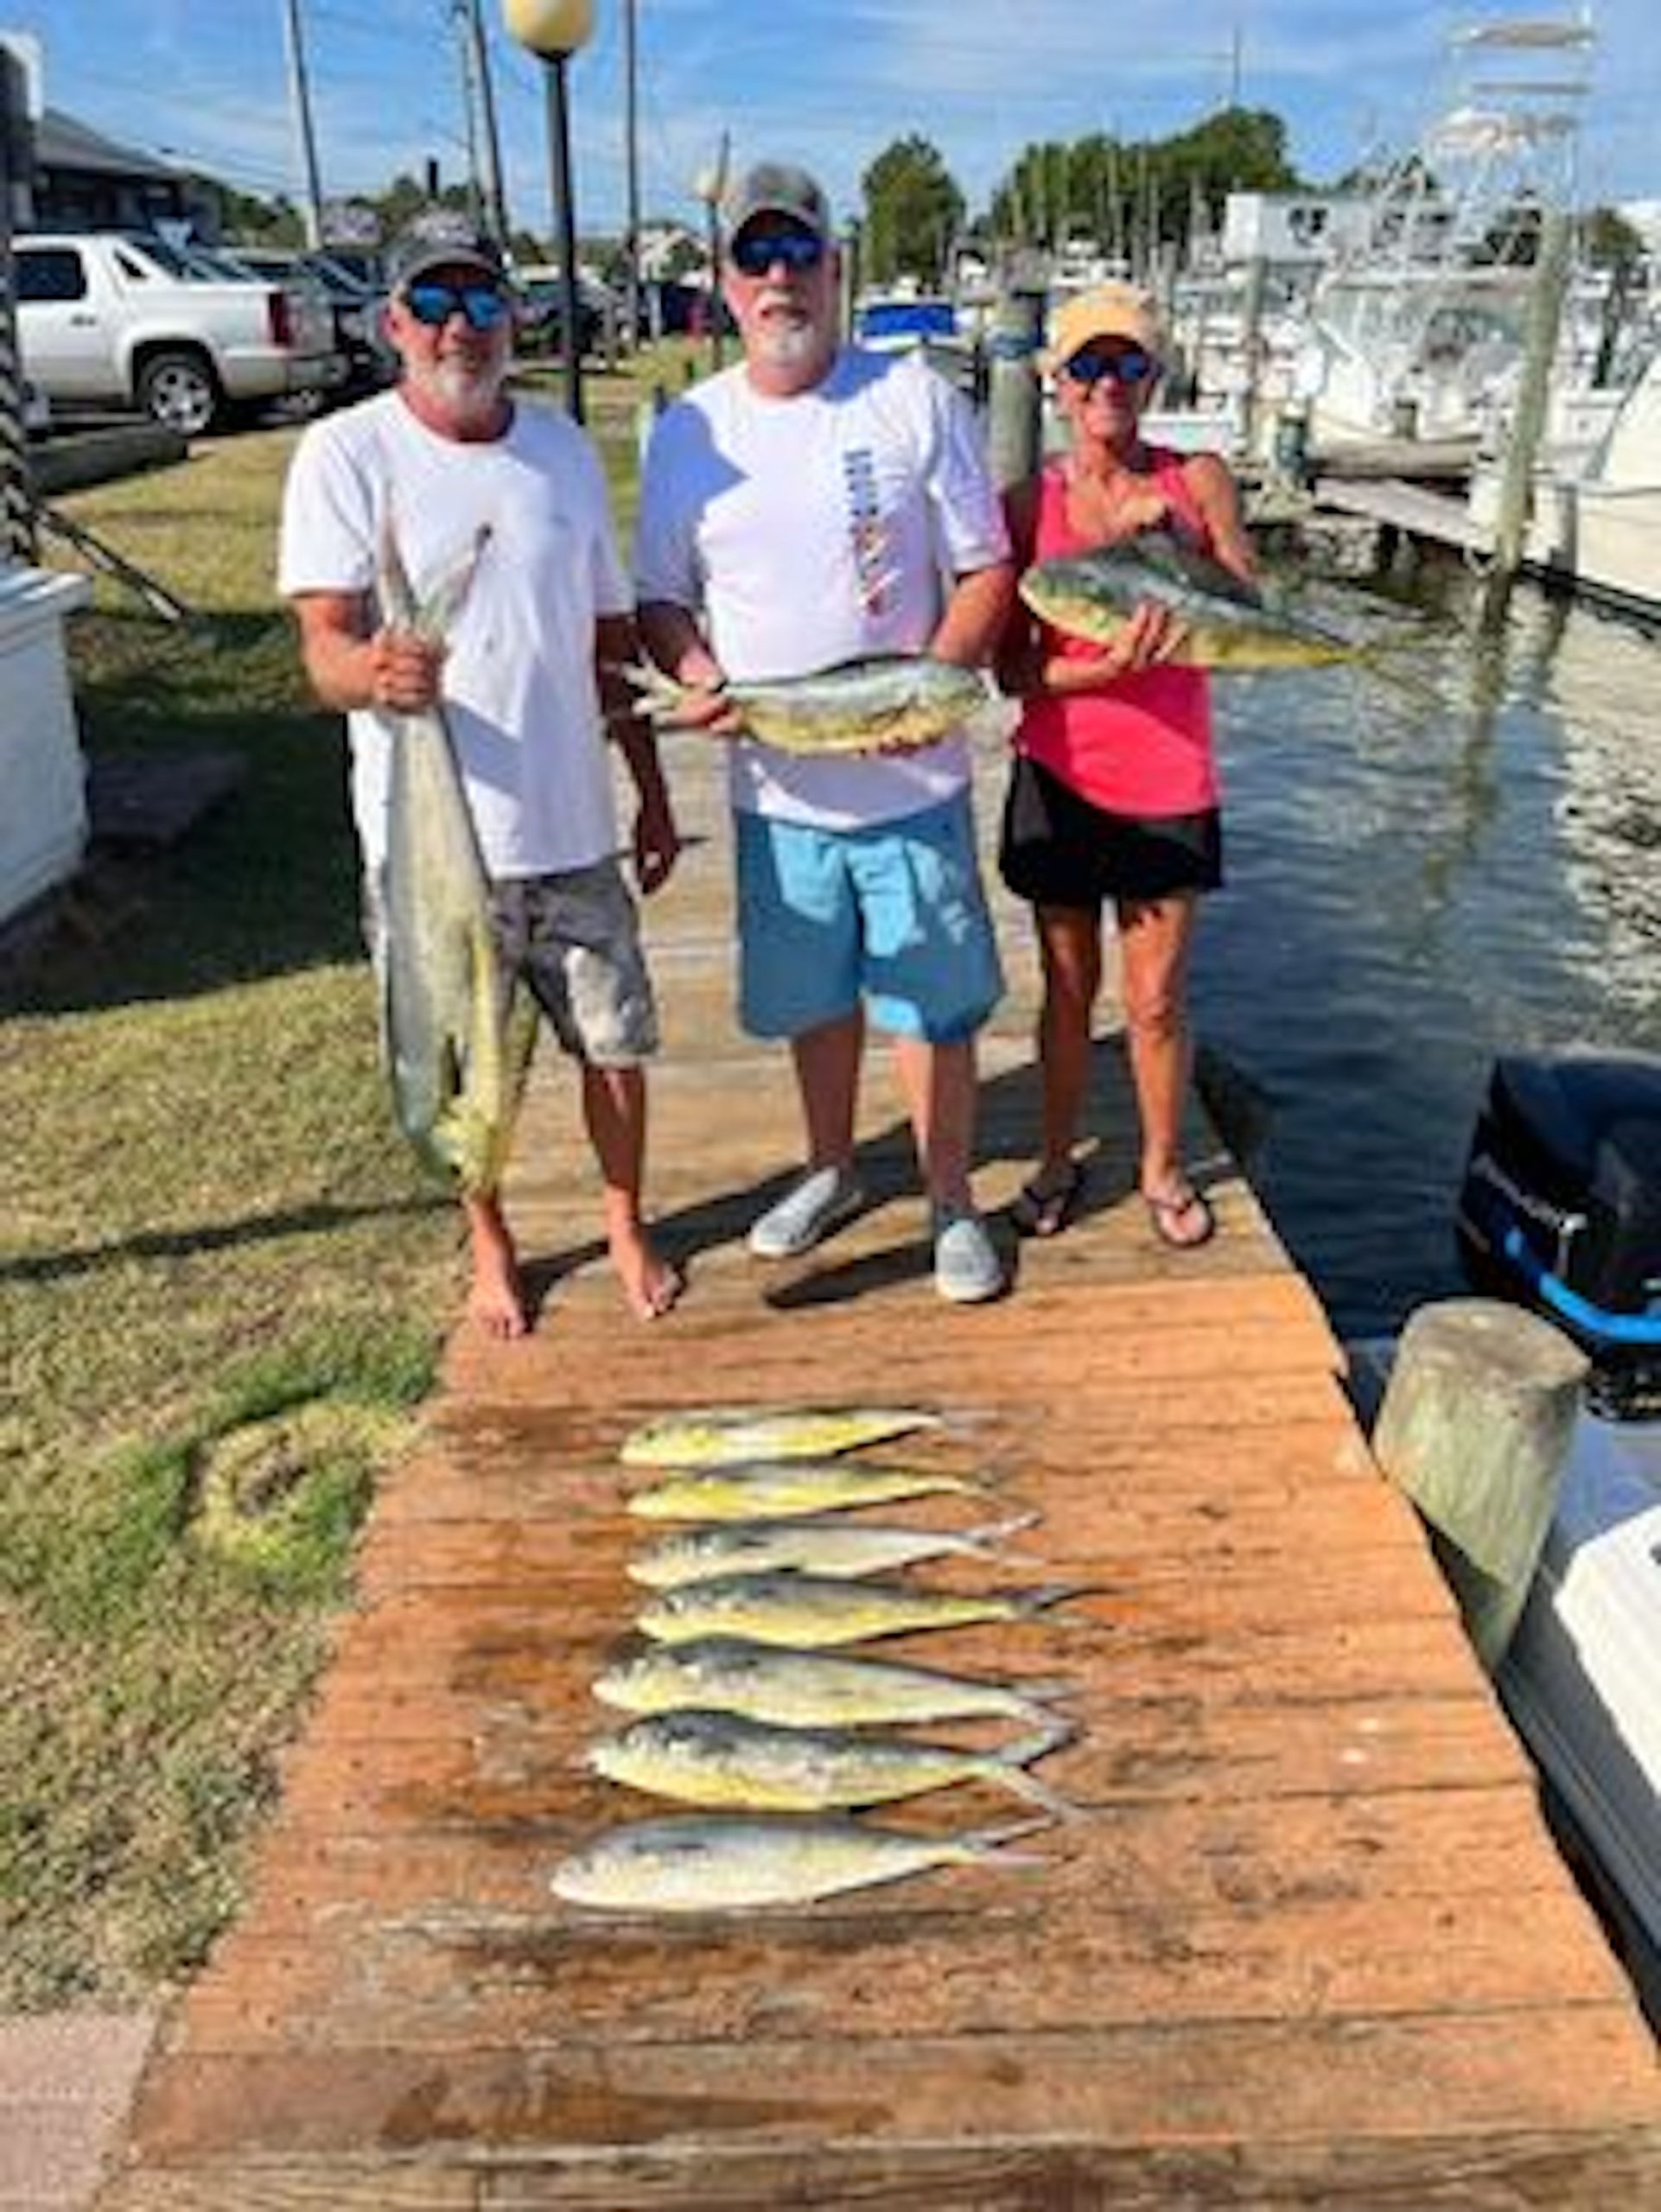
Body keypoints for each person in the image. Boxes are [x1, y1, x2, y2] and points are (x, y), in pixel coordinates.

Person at [277, 232, 683, 1339]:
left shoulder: (561, 450)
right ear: (393, 323)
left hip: (571, 823)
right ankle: (492, 1245)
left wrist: (649, 788)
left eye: (482, 301)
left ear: (514, 318)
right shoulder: (343, 451)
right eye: (434, 302)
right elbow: (321, 650)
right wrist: (375, 671)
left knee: (614, 1046)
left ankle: (624, 1223)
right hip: (432, 854)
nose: (460, 325)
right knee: (462, 1071)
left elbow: (608, 642)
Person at [634, 162, 1014, 1305]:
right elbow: (662, 598)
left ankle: (949, 1198)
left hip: (912, 785)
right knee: (817, 999)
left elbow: (986, 569)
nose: (778, 278)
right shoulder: (689, 429)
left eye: (797, 253)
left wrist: (934, 682)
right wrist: (696, 676)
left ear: (834, 267)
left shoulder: (912, 399)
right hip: (775, 790)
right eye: (755, 257)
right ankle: (833, 1167)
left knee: (931, 1007)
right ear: (724, 281)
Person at [995, 282, 1257, 1248]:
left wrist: (1180, 543)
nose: (1107, 382)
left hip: (1168, 780)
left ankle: (1160, 1165)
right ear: (1056, 382)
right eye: (1088, 364)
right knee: (1067, 992)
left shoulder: (1199, 479)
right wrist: (1099, 670)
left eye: (1127, 363)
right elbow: (1010, 669)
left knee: (1154, 1001)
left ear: (1152, 378)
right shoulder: (1026, 505)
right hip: (1060, 776)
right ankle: (1055, 1161)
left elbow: (1247, 610)